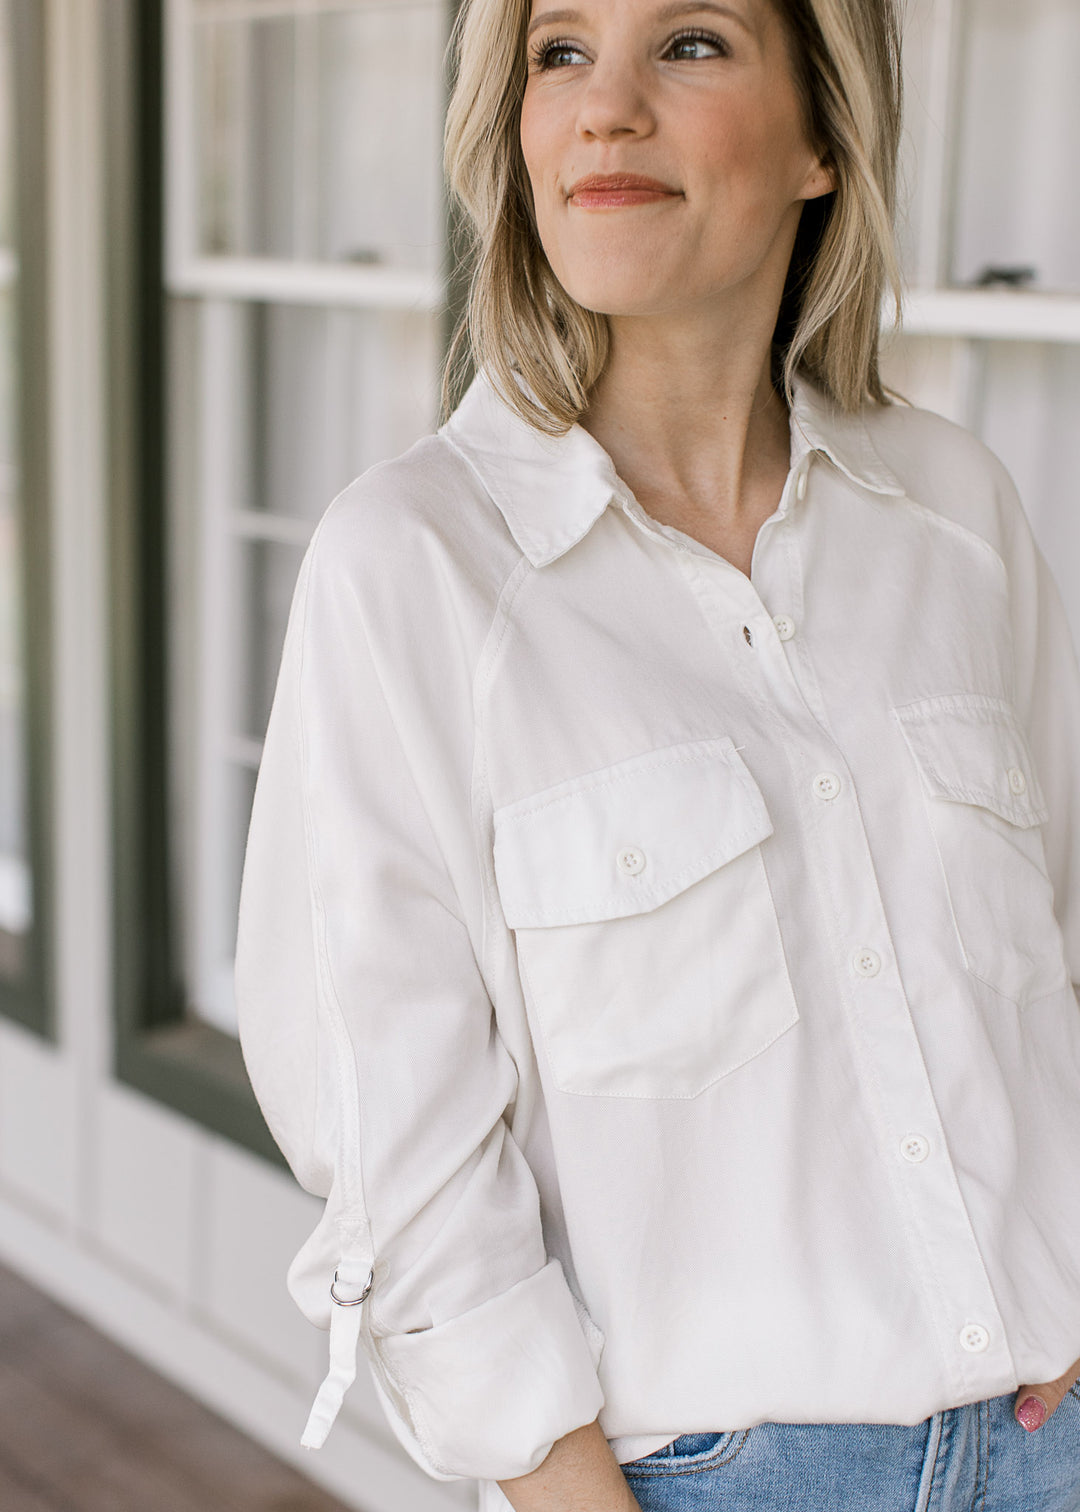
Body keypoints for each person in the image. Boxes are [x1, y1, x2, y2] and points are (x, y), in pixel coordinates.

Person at [233, 0, 1080, 1507]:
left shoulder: (957, 519)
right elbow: (404, 1157)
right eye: (560, 51)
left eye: (688, 42)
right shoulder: (414, 567)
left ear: (826, 134)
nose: (604, 108)